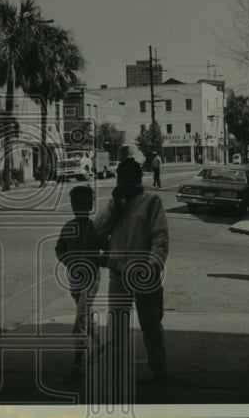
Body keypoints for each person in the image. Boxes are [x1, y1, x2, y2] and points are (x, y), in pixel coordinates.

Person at [94, 157, 169, 383]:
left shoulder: (151, 201)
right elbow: (96, 231)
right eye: (121, 177)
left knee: (150, 325)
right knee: (117, 325)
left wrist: (152, 265)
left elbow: (160, 237)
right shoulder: (114, 204)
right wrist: (116, 207)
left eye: (129, 177)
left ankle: (158, 365)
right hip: (118, 273)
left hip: (145, 275)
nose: (124, 181)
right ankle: (117, 371)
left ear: (137, 178)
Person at [54, 185, 108, 379]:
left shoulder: (97, 229)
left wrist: (101, 260)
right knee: (83, 313)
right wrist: (67, 260)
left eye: (85, 203)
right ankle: (99, 344)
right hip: (74, 280)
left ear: (91, 205)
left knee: (81, 317)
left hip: (91, 279)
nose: (80, 207)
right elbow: (59, 248)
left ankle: (79, 364)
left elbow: (108, 250)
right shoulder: (68, 227)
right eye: (77, 203)